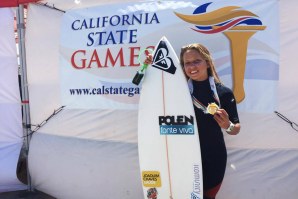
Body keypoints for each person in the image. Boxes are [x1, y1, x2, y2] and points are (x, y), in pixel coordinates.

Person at [144, 43, 240, 199]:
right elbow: (160, 83)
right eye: (187, 63)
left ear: (207, 62)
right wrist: (152, 66)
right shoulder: (178, 90)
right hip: (183, 156)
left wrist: (227, 125)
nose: (192, 66)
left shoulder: (223, 92)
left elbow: (235, 128)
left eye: (197, 61)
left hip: (213, 157)